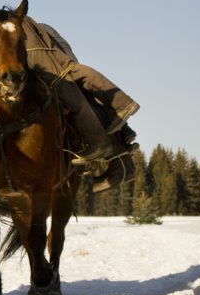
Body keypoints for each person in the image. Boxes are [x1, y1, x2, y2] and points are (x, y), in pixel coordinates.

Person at [21, 18, 140, 191]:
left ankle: (117, 157)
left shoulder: (6, 24)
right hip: (40, 35)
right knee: (74, 89)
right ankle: (122, 152)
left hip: (37, 38)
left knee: (69, 88)